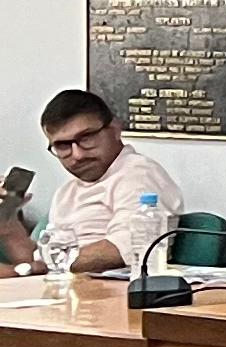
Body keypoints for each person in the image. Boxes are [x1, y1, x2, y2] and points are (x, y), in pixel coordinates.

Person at [3, 91, 180, 277]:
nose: (77, 155)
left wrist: (45, 266)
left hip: (114, 289)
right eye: (63, 146)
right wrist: (7, 227)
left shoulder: (138, 174)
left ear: (115, 129)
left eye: (87, 138)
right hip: (67, 287)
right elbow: (40, 260)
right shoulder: (67, 192)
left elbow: (127, 249)